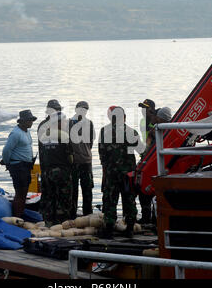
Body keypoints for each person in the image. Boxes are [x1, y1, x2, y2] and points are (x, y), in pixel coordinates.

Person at [99, 106, 142, 239]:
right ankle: (129, 229)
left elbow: (102, 154)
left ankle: (109, 229)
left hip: (111, 172)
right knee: (129, 200)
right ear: (124, 117)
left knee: (110, 201)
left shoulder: (104, 131)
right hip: (128, 174)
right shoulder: (131, 132)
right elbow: (142, 151)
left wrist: (105, 170)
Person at [38, 109, 74, 226]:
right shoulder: (63, 136)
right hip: (61, 172)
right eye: (63, 121)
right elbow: (70, 158)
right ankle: (61, 223)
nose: (65, 123)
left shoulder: (44, 136)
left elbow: (42, 155)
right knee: (63, 198)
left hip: (47, 172)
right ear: (57, 122)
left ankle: (49, 222)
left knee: (49, 197)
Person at [138, 106, 172, 225]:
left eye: (155, 115)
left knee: (147, 191)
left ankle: (149, 218)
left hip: (157, 165)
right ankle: (153, 218)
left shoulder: (157, 131)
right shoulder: (169, 129)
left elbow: (146, 150)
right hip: (161, 165)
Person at [2, 109, 37, 218]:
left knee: (25, 191)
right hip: (18, 166)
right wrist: (8, 163)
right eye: (29, 120)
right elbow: (6, 150)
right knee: (20, 192)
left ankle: (20, 215)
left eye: (32, 120)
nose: (31, 122)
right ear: (22, 121)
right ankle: (16, 217)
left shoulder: (27, 131)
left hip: (26, 166)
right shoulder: (15, 133)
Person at [69, 101, 95, 218]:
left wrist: (84, 151)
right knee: (72, 190)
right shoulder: (68, 123)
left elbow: (91, 142)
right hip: (73, 162)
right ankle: (72, 214)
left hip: (86, 161)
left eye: (85, 109)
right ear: (76, 109)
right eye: (81, 109)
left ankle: (88, 214)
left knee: (87, 189)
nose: (83, 111)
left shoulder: (89, 123)